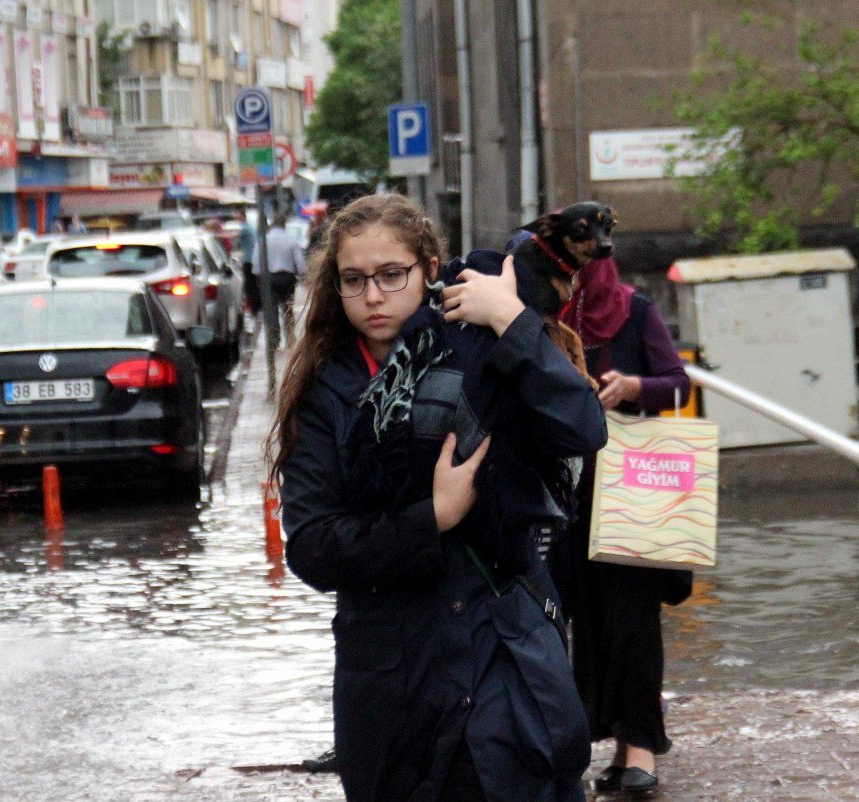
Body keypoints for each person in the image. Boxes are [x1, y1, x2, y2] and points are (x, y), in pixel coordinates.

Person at [267, 194, 607, 800]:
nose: (373, 296)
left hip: (505, 663)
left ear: (428, 268)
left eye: (391, 275)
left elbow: (582, 429)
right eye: (354, 280)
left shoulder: (485, 348)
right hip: (397, 687)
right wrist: (436, 516)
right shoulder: (326, 390)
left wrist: (513, 321)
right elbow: (314, 548)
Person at [560, 255, 692, 796]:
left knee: (634, 619)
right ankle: (614, 744)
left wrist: (634, 387)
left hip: (636, 490)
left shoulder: (636, 310)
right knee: (587, 625)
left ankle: (641, 749)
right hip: (571, 494)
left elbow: (679, 385)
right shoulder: (548, 320)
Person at [252, 211, 306, 348]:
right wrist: (304, 276)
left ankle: (274, 340)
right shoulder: (290, 239)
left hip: (269, 279)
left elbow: (256, 263)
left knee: (272, 310)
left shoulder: (263, 239)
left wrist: (259, 277)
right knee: (288, 309)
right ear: (284, 224)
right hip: (287, 278)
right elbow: (300, 262)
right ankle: (290, 338)